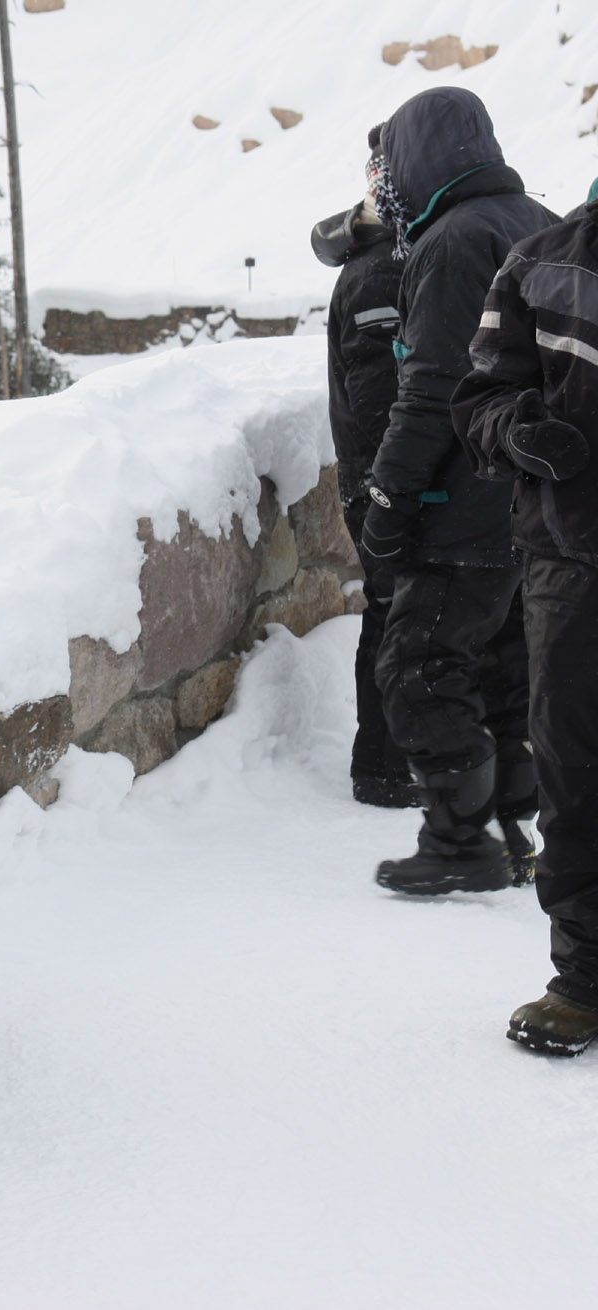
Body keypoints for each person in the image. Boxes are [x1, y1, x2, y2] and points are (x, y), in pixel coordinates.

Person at [359, 86, 555, 895]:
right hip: (527, 494)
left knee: (419, 665)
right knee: (504, 665)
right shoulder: (534, 219)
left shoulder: (451, 240)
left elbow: (434, 384)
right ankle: (511, 828)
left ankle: (459, 840)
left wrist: (388, 499)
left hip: (460, 501)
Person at [452, 178, 598, 1057]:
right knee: (576, 772)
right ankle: (585, 979)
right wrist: (519, 431)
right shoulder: (541, 264)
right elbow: (476, 397)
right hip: (572, 563)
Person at [310, 129, 414, 809]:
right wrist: (395, 484)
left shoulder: (391, 259)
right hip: (383, 478)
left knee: (396, 611)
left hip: (382, 475)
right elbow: (382, 398)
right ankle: (379, 768)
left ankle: (388, 762)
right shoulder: (382, 271)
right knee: (392, 612)